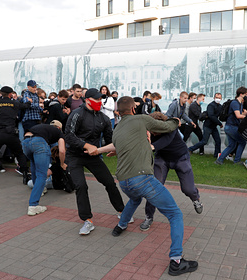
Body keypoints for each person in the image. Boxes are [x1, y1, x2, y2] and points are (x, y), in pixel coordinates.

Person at [96, 96, 198, 276]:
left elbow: (121, 147)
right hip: (142, 179)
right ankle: (176, 261)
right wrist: (176, 120)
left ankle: (120, 226)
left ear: (118, 112)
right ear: (134, 109)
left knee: (134, 200)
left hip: (124, 182)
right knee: (175, 214)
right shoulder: (141, 119)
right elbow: (168, 126)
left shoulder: (118, 128)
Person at [64, 88, 125, 235]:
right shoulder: (76, 114)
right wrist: (86, 145)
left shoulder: (103, 118)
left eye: (101, 100)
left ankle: (122, 212)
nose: (99, 102)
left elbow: (110, 138)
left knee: (110, 182)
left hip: (93, 156)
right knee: (81, 186)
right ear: (88, 100)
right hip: (75, 156)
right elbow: (69, 135)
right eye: (97, 100)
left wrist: (112, 148)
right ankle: (87, 220)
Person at [139, 112, 203, 232]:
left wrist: (150, 146)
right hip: (162, 159)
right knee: (154, 188)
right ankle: (149, 217)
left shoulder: (170, 128)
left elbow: (164, 142)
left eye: (155, 130)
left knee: (188, 189)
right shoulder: (148, 131)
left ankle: (196, 199)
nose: (152, 133)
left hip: (180, 157)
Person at [22, 121, 66, 216]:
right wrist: (62, 164)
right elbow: (62, 151)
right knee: (42, 175)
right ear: (59, 128)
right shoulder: (59, 133)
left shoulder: (41, 127)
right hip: (39, 143)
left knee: (33, 166)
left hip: (25, 142)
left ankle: (39, 190)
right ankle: (33, 205)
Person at [216, 87, 247, 165]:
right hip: (232, 127)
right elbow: (238, 116)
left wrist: (245, 114)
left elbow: (238, 115)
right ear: (241, 94)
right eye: (246, 94)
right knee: (242, 142)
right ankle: (236, 161)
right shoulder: (235, 103)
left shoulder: (239, 103)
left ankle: (219, 160)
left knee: (232, 145)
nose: (246, 96)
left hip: (230, 127)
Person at [188, 93, 223, 157]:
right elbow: (211, 116)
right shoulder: (211, 105)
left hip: (213, 127)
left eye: (219, 98)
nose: (218, 99)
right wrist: (219, 123)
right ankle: (190, 149)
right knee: (204, 141)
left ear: (221, 99)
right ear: (214, 98)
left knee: (218, 141)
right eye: (217, 97)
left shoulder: (220, 106)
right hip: (208, 126)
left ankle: (217, 155)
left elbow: (220, 115)